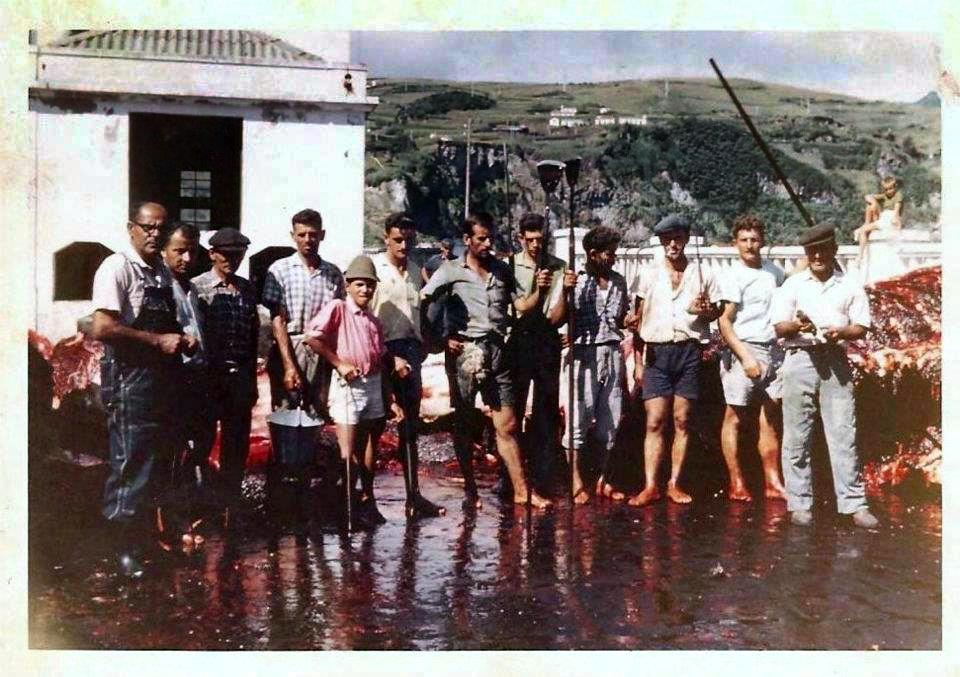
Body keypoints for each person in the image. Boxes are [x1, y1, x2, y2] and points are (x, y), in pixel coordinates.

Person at [89, 202, 197, 577]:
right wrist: (157, 341)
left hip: (161, 379)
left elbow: (171, 325)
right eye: (147, 227)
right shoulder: (117, 267)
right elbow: (101, 327)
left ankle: (145, 541)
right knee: (130, 462)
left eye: (160, 228)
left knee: (156, 463)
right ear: (131, 228)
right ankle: (121, 550)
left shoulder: (160, 274)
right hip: (129, 377)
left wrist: (181, 340)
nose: (154, 234)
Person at [421, 213, 551, 510]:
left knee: (508, 424)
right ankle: (470, 490)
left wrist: (540, 291)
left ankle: (522, 491)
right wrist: (440, 340)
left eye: (490, 237)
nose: (488, 243)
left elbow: (521, 306)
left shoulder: (503, 271)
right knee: (465, 425)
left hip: (498, 353)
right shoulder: (450, 271)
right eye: (481, 238)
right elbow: (424, 301)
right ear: (467, 240)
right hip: (464, 356)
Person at [770, 224, 879, 528]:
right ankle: (799, 502)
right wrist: (797, 327)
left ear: (833, 250)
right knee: (796, 434)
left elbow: (861, 327)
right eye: (812, 251)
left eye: (823, 249)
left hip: (835, 359)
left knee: (844, 432)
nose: (817, 255)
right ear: (807, 254)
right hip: (799, 358)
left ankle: (854, 504)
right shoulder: (792, 285)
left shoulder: (850, 285)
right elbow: (780, 327)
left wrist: (841, 332)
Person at [626, 213, 723, 507]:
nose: (673, 244)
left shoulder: (702, 273)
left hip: (688, 351)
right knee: (655, 421)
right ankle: (650, 485)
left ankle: (674, 484)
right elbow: (636, 316)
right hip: (657, 352)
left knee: (682, 421)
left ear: (686, 240)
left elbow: (716, 311)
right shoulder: (648, 273)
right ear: (660, 242)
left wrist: (705, 311)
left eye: (678, 238)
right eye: (667, 239)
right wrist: (639, 361)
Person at [304, 255, 404, 529]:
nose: (365, 290)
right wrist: (339, 363)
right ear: (348, 285)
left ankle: (366, 499)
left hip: (372, 383)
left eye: (370, 285)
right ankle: (341, 507)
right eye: (360, 284)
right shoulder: (338, 308)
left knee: (371, 441)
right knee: (347, 450)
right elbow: (312, 337)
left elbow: (382, 360)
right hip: (348, 384)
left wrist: (390, 396)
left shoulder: (373, 320)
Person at [369, 213, 445, 518]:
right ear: (386, 238)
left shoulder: (416, 270)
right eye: (398, 239)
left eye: (409, 239)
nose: (404, 245)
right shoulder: (373, 268)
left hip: (410, 353)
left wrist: (426, 345)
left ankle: (413, 497)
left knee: (410, 428)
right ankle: (366, 500)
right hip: (379, 352)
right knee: (374, 426)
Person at [192, 227, 260, 528]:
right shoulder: (197, 288)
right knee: (202, 442)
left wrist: (252, 382)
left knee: (236, 446)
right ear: (212, 254)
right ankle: (200, 506)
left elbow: (254, 334)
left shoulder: (246, 289)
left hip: (239, 380)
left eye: (237, 255)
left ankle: (231, 507)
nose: (231, 260)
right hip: (208, 380)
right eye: (225, 255)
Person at [716, 215, 787, 502]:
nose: (750, 245)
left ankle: (772, 481)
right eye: (744, 240)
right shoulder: (732, 276)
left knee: (770, 415)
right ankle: (736, 482)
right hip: (743, 348)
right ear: (735, 244)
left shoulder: (775, 273)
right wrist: (744, 357)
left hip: (774, 349)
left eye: (754, 239)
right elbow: (724, 322)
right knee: (734, 416)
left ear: (763, 241)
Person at [509, 213, 576, 496]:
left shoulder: (559, 266)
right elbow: (521, 308)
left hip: (547, 340)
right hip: (520, 340)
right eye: (531, 239)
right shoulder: (510, 266)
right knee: (514, 407)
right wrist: (540, 287)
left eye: (540, 239)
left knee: (546, 410)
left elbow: (558, 318)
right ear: (521, 238)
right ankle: (513, 475)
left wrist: (567, 293)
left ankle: (543, 476)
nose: (536, 245)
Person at [562, 226, 629, 505]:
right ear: (592, 254)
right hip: (583, 354)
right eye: (608, 253)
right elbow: (558, 316)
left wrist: (630, 321)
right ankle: (576, 479)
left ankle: (604, 479)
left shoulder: (619, 281)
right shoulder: (574, 281)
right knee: (577, 420)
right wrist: (565, 292)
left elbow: (621, 318)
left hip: (612, 353)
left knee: (610, 421)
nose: (613, 258)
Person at [261, 208, 345, 418]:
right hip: (289, 345)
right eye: (302, 235)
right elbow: (277, 320)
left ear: (322, 235)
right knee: (285, 413)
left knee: (315, 414)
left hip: (320, 349)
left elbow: (339, 319)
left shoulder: (333, 273)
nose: (308, 240)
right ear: (293, 236)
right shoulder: (279, 270)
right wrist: (289, 365)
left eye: (313, 234)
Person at [158, 221, 210, 547]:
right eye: (179, 251)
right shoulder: (162, 287)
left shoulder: (189, 288)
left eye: (192, 251)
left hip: (196, 381)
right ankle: (171, 526)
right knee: (172, 455)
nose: (187, 258)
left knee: (191, 454)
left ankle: (185, 517)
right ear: (165, 251)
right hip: (173, 381)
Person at [854, 175, 906, 284]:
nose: (889, 191)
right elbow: (867, 196)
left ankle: (860, 255)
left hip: (889, 219)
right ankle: (866, 226)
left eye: (891, 188)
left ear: (895, 187)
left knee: (864, 229)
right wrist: (874, 200)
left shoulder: (898, 196)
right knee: (870, 205)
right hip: (882, 217)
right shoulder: (885, 196)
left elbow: (896, 212)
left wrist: (897, 225)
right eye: (886, 189)